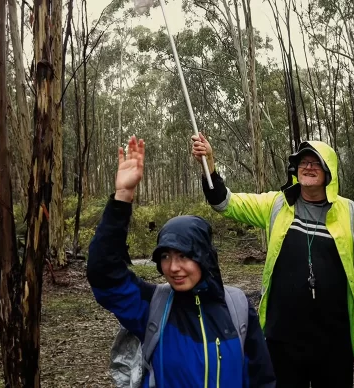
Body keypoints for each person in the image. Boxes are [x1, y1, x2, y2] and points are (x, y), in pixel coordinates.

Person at [192, 134, 354, 388]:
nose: (308, 167)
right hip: (281, 340)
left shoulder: (352, 214)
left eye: (316, 163)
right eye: (303, 162)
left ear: (330, 171)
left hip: (333, 343)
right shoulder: (277, 204)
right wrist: (210, 165)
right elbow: (224, 202)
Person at [87, 136, 276, 388]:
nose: (173, 268)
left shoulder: (238, 308)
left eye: (184, 256)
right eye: (165, 257)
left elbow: (261, 379)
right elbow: (103, 273)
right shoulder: (151, 307)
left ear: (204, 258)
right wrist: (122, 197)